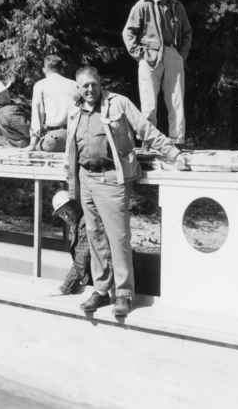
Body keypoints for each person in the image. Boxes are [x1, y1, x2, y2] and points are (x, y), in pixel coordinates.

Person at [65, 66, 189, 317]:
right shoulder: (74, 110)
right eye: (85, 85)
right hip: (85, 178)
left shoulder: (118, 103)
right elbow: (72, 145)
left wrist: (173, 152)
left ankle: (123, 294)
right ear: (78, 87)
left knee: (118, 239)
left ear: (101, 83)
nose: (90, 89)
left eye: (94, 84)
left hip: (111, 178)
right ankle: (100, 290)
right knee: (94, 235)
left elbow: (147, 130)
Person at [122, 0, 192, 147]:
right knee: (149, 103)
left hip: (173, 55)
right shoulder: (143, 4)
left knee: (176, 101)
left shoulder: (178, 6)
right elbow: (128, 33)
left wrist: (181, 55)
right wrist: (140, 56)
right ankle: (149, 141)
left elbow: (187, 33)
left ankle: (177, 140)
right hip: (149, 56)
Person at [43, 191, 95, 297]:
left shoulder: (85, 223)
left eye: (67, 210)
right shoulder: (76, 223)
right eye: (61, 213)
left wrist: (64, 288)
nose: (66, 216)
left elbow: (81, 261)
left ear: (75, 206)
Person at [26, 55, 77, 152]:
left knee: (40, 146)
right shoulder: (74, 84)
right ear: (62, 70)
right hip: (77, 136)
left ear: (44, 70)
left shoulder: (41, 85)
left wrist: (32, 144)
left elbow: (37, 115)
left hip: (57, 139)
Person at [0, 80, 30, 148]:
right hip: (26, 143)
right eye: (0, 94)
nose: (4, 95)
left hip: (17, 143)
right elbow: (29, 131)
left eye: (5, 91)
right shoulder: (9, 111)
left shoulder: (6, 108)